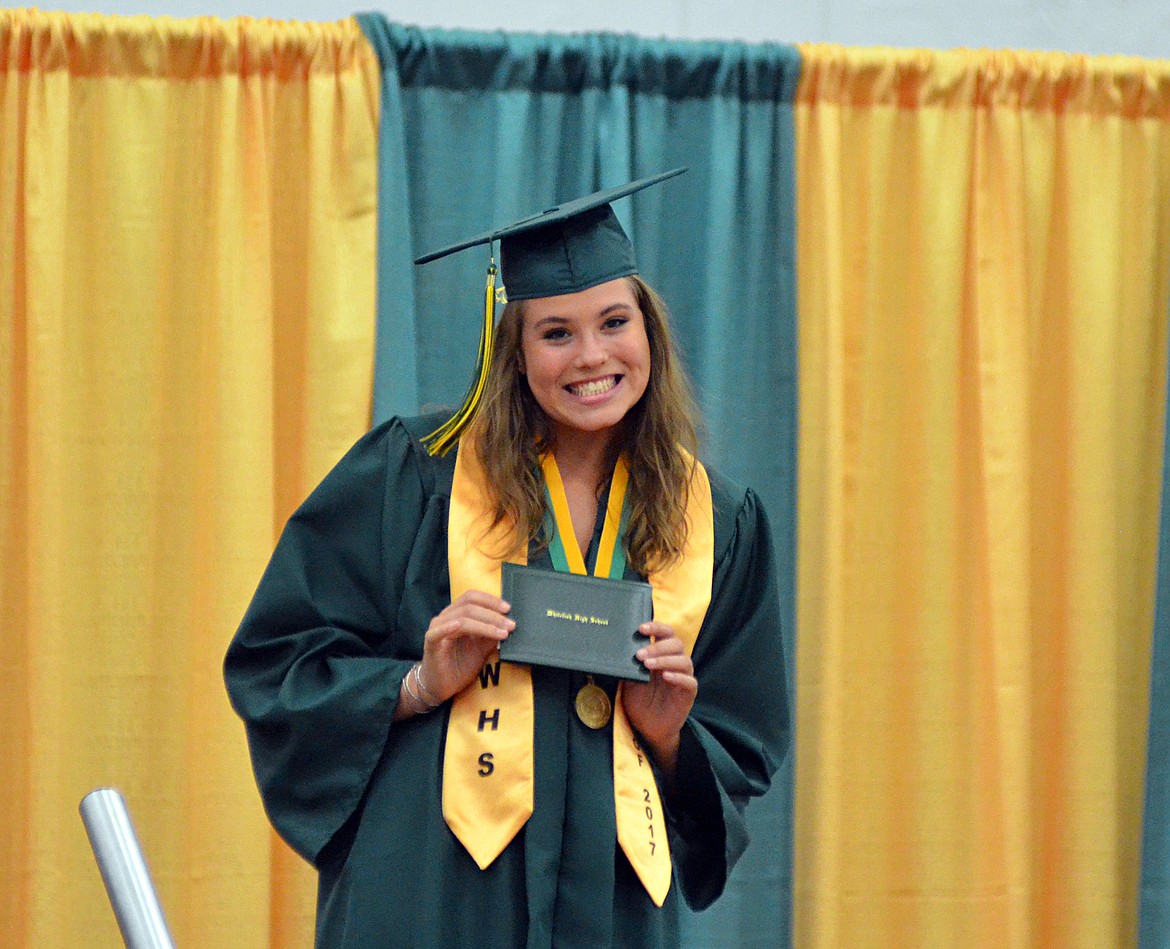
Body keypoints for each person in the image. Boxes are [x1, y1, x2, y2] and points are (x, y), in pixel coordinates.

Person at [224, 169, 790, 948]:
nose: (591, 355)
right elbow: (276, 660)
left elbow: (744, 737)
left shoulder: (717, 520)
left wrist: (669, 733)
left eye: (613, 322)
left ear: (649, 332)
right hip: (433, 888)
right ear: (515, 351)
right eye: (555, 331)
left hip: (614, 898)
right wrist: (417, 684)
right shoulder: (415, 476)